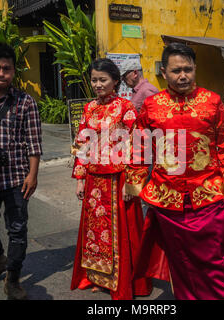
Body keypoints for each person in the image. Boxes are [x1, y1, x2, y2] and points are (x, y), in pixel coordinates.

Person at [125, 42, 224, 300]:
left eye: (187, 69)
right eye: (176, 70)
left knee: (220, 261)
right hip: (167, 200)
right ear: (164, 72)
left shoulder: (212, 102)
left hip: (209, 195)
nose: (182, 75)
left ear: (195, 69)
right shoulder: (151, 106)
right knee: (181, 263)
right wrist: (135, 186)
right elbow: (139, 147)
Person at [70, 58, 152, 300]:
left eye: (103, 80)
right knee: (95, 232)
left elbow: (136, 145)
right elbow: (82, 145)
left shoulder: (126, 108)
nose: (97, 84)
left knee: (121, 233)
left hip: (118, 181)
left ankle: (124, 281)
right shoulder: (88, 109)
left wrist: (132, 180)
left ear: (115, 81)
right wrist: (80, 179)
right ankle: (98, 277)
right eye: (94, 80)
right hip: (95, 181)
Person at [0, 42, 42, 300]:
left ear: (14, 72)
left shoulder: (26, 103)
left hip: (16, 178)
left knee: (17, 229)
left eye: (6, 69)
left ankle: (13, 278)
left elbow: (34, 142)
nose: (1, 74)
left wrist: (32, 175)